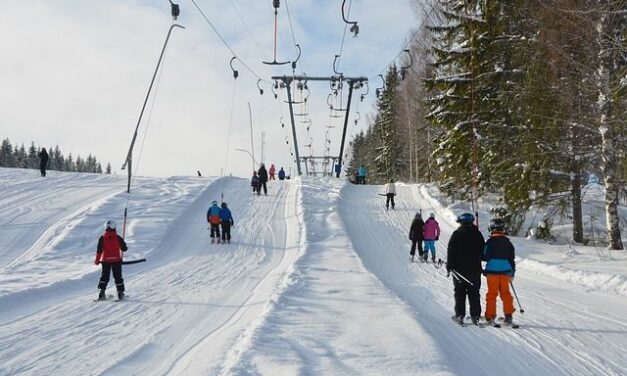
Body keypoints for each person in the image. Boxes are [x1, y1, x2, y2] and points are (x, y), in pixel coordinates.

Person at [446, 212, 485, 325]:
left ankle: (460, 316)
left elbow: (451, 251)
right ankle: (475, 316)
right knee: (474, 292)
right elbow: (483, 252)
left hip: (459, 270)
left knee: (460, 293)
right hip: (474, 269)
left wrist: (449, 265)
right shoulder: (477, 234)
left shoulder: (457, 234)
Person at [482, 218, 516, 325]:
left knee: (492, 294)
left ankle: (490, 316)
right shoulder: (508, 242)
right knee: (505, 293)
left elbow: (485, 256)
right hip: (505, 271)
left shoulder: (490, 242)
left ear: (492, 228)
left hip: (492, 272)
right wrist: (512, 272)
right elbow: (511, 258)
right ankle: (508, 316)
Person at [94, 220, 127, 300]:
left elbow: (99, 251)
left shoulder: (102, 238)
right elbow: (124, 249)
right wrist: (123, 246)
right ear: (114, 227)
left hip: (106, 261)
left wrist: (97, 260)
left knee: (104, 276)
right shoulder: (118, 237)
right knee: (118, 277)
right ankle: (120, 294)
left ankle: (102, 293)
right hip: (116, 260)